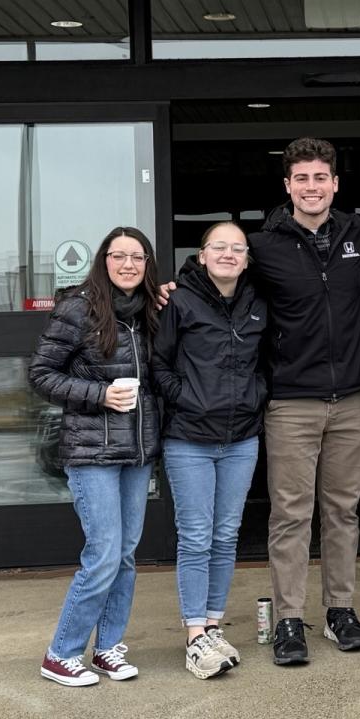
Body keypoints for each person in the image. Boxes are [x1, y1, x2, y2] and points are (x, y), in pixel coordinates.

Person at [249, 137, 360, 665]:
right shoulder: (263, 246)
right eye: (301, 178)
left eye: (320, 178)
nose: (311, 187)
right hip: (291, 402)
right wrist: (171, 287)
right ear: (287, 186)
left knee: (343, 512)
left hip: (351, 400)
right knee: (290, 514)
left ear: (335, 183)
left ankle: (340, 611)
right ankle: (289, 619)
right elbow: (213, 271)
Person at [29, 226, 161, 687]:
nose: (128, 264)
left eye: (138, 257)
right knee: (103, 553)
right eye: (119, 255)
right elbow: (41, 373)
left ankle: (107, 648)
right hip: (91, 451)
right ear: (103, 260)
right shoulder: (78, 307)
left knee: (124, 554)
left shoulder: (150, 311)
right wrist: (100, 394)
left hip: (136, 451)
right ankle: (61, 653)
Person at [151, 221, 268, 680]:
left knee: (225, 535)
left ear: (246, 259)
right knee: (197, 536)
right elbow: (159, 363)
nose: (228, 254)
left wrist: (257, 395)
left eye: (237, 248)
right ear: (201, 255)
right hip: (189, 439)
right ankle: (194, 634)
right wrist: (187, 398)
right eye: (218, 247)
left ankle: (214, 625)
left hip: (241, 438)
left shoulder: (257, 301)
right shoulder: (179, 301)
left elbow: (266, 362)